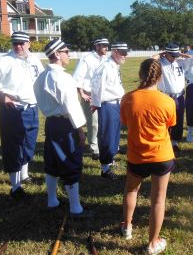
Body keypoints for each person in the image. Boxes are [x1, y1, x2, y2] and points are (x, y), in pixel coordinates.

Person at [0, 31, 44, 198]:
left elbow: (41, 80)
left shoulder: (34, 60)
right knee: (13, 147)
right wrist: (1, 96)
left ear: (29, 43)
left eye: (22, 43)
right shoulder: (3, 61)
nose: (18, 46)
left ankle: (25, 176)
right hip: (13, 108)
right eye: (15, 43)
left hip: (32, 107)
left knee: (28, 143)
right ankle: (15, 187)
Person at [120, 58, 176, 254]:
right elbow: (170, 125)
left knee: (131, 191)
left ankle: (127, 227)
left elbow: (126, 122)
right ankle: (153, 243)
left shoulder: (127, 98)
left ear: (140, 75)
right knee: (158, 200)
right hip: (162, 156)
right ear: (159, 77)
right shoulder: (168, 101)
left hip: (137, 156)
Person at [34, 39, 92, 217]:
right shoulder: (64, 78)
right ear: (57, 54)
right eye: (66, 51)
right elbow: (71, 106)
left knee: (51, 161)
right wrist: (80, 131)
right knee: (71, 161)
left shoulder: (41, 76)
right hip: (66, 124)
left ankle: (52, 200)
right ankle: (76, 207)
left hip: (51, 123)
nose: (69, 54)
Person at [90, 42, 128, 180]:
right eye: (123, 53)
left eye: (126, 53)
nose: (125, 56)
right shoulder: (105, 66)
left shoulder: (114, 65)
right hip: (107, 104)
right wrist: (96, 103)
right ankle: (105, 168)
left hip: (116, 104)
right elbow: (96, 85)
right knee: (107, 135)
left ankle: (110, 160)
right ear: (115, 52)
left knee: (115, 135)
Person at [72, 38, 109, 160]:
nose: (106, 48)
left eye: (107, 45)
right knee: (93, 123)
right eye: (103, 46)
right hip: (90, 95)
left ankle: (102, 144)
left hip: (104, 96)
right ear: (97, 46)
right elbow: (78, 77)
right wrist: (81, 93)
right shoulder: (87, 59)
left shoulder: (106, 59)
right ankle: (94, 148)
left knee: (103, 121)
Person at [152, 43, 192, 154]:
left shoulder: (180, 62)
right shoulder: (160, 63)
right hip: (165, 96)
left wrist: (180, 54)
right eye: (172, 55)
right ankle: (163, 141)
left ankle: (174, 142)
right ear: (166, 53)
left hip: (179, 96)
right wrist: (161, 54)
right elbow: (150, 60)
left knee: (178, 120)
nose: (174, 57)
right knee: (164, 121)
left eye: (176, 55)